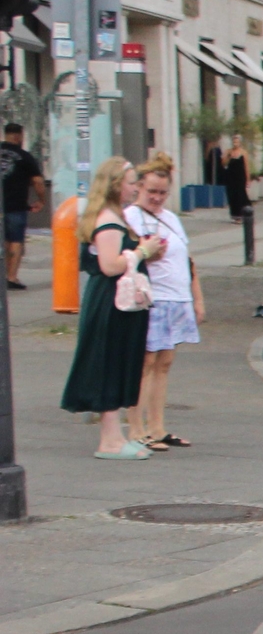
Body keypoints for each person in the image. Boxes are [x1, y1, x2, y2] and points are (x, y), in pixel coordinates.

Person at [60, 158, 161, 459]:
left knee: (115, 362)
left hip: (114, 300)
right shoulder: (108, 221)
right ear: (116, 185)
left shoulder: (112, 217)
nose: (135, 188)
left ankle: (114, 437)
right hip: (111, 301)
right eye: (132, 182)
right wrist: (142, 251)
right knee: (108, 362)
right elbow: (108, 265)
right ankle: (109, 440)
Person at [124, 156, 203, 452]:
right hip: (151, 298)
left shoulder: (171, 218)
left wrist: (197, 297)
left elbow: (188, 259)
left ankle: (157, 427)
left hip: (177, 296)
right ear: (139, 188)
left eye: (162, 193)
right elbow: (128, 256)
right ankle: (136, 427)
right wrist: (146, 252)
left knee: (164, 363)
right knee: (144, 363)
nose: (156, 198)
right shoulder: (130, 217)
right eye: (151, 192)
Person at [0, 122, 44, 289]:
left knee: (2, 240)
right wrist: (41, 200)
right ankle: (11, 277)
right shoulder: (24, 156)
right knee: (16, 240)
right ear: (19, 136)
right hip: (16, 205)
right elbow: (38, 181)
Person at [222, 137, 252, 220]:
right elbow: (224, 163)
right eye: (234, 142)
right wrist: (228, 156)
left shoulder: (243, 153)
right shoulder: (228, 151)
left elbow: (246, 167)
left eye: (237, 142)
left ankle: (243, 213)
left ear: (240, 143)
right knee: (232, 195)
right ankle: (234, 214)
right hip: (231, 177)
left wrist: (248, 179)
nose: (235, 143)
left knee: (241, 195)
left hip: (240, 177)